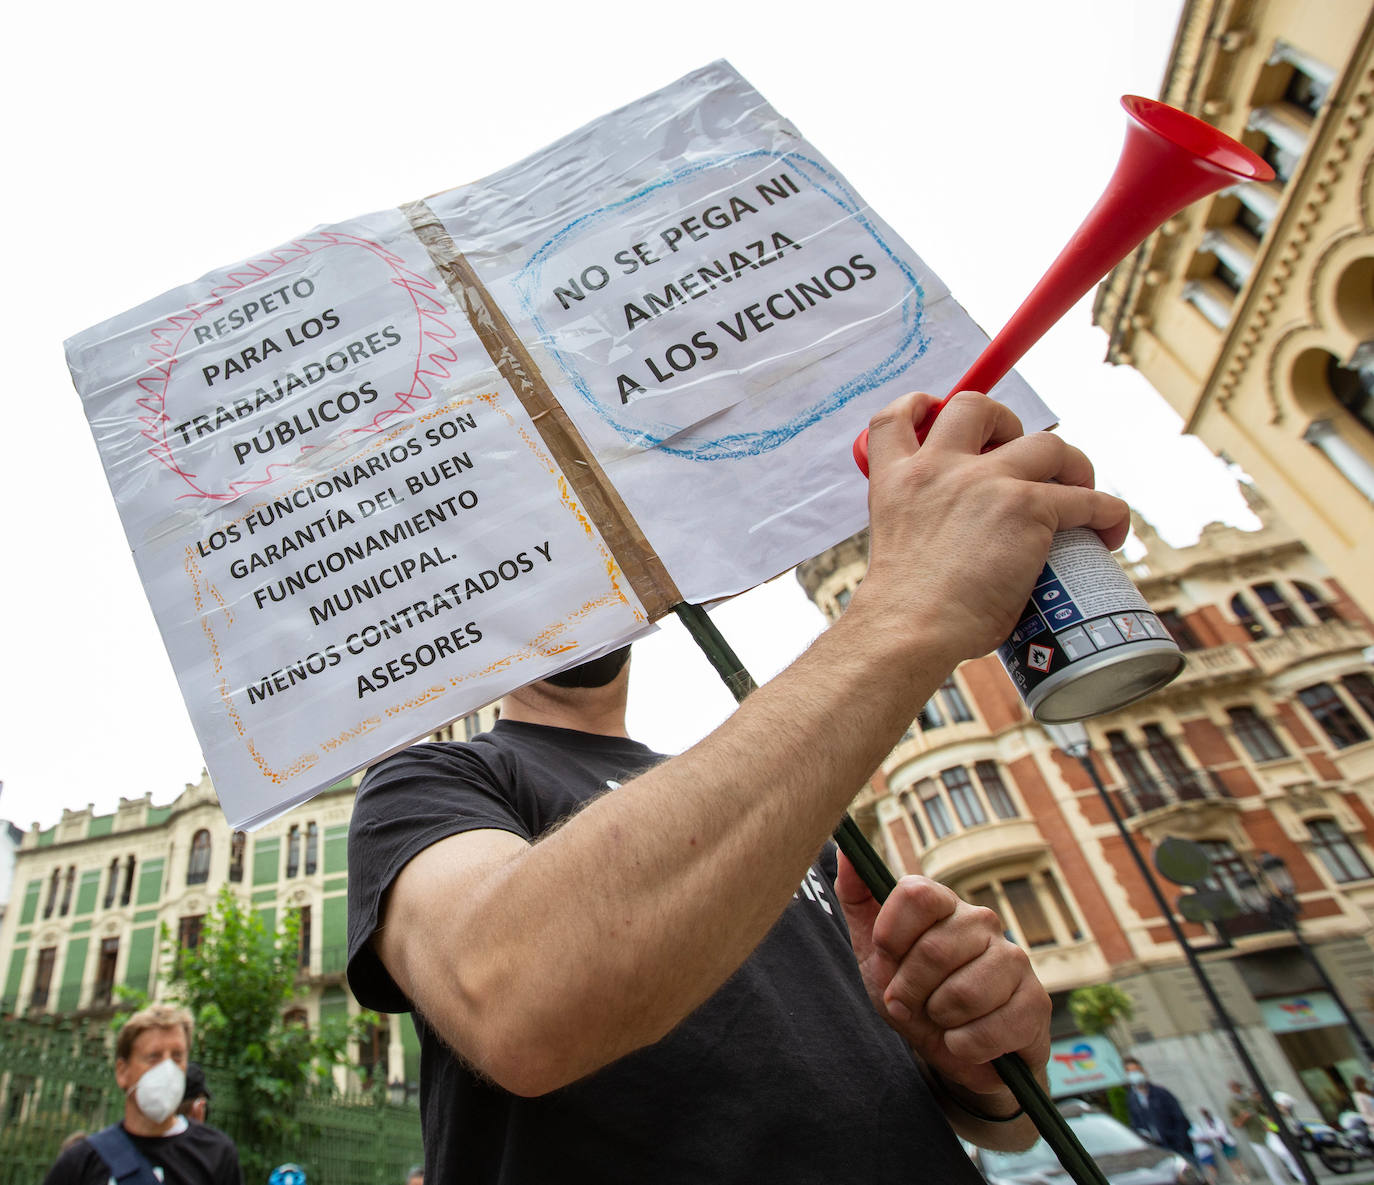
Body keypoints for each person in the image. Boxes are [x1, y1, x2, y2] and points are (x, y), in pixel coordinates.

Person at [346, 390, 1132, 1182]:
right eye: (528, 557)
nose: (566, 576)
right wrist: (907, 608)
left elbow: (952, 1110)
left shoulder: (769, 791)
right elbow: (512, 999)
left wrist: (971, 1064)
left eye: (585, 543)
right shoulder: (432, 780)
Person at [42, 1003, 242, 1185]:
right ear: (122, 1071)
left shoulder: (216, 1153)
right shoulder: (82, 1161)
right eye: (154, 1057)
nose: (167, 1069)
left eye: (177, 1057)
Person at [1123, 1056, 1193, 1159]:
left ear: (1143, 1072)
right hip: (1159, 1153)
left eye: (1136, 1071)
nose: (1134, 1075)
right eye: (1130, 1072)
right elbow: (1136, 1125)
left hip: (1179, 1148)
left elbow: (1180, 1118)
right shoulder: (1131, 1100)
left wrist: (1180, 1143)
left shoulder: (1161, 1093)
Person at [1227, 1080, 1290, 1185]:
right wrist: (1243, 1117)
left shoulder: (1251, 1100)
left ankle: (1301, 1177)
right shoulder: (1231, 1104)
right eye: (1234, 1087)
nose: (1237, 1089)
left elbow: (1266, 1112)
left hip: (1267, 1132)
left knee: (1285, 1154)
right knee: (1269, 1164)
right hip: (1254, 1137)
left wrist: (1276, 1115)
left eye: (1238, 1087)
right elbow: (1235, 1124)